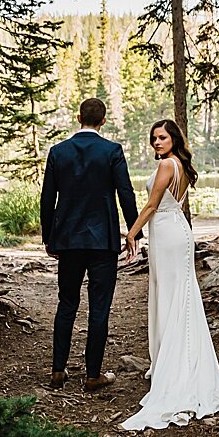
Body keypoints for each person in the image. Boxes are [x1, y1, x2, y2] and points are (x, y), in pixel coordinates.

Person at [119, 119, 219, 431]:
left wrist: (132, 234)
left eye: (162, 137)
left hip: (167, 233)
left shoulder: (167, 167)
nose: (156, 142)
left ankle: (176, 371)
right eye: (154, 138)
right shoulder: (182, 165)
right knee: (179, 298)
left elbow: (150, 206)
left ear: (173, 139)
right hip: (175, 231)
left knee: (174, 298)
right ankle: (176, 362)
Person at [40, 98, 139, 392]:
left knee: (66, 303)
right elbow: (125, 193)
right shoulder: (112, 151)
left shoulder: (58, 151)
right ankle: (92, 375)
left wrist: (49, 237)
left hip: (68, 241)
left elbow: (48, 199)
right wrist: (135, 232)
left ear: (78, 117)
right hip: (102, 241)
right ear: (103, 121)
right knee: (99, 307)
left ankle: (58, 370)